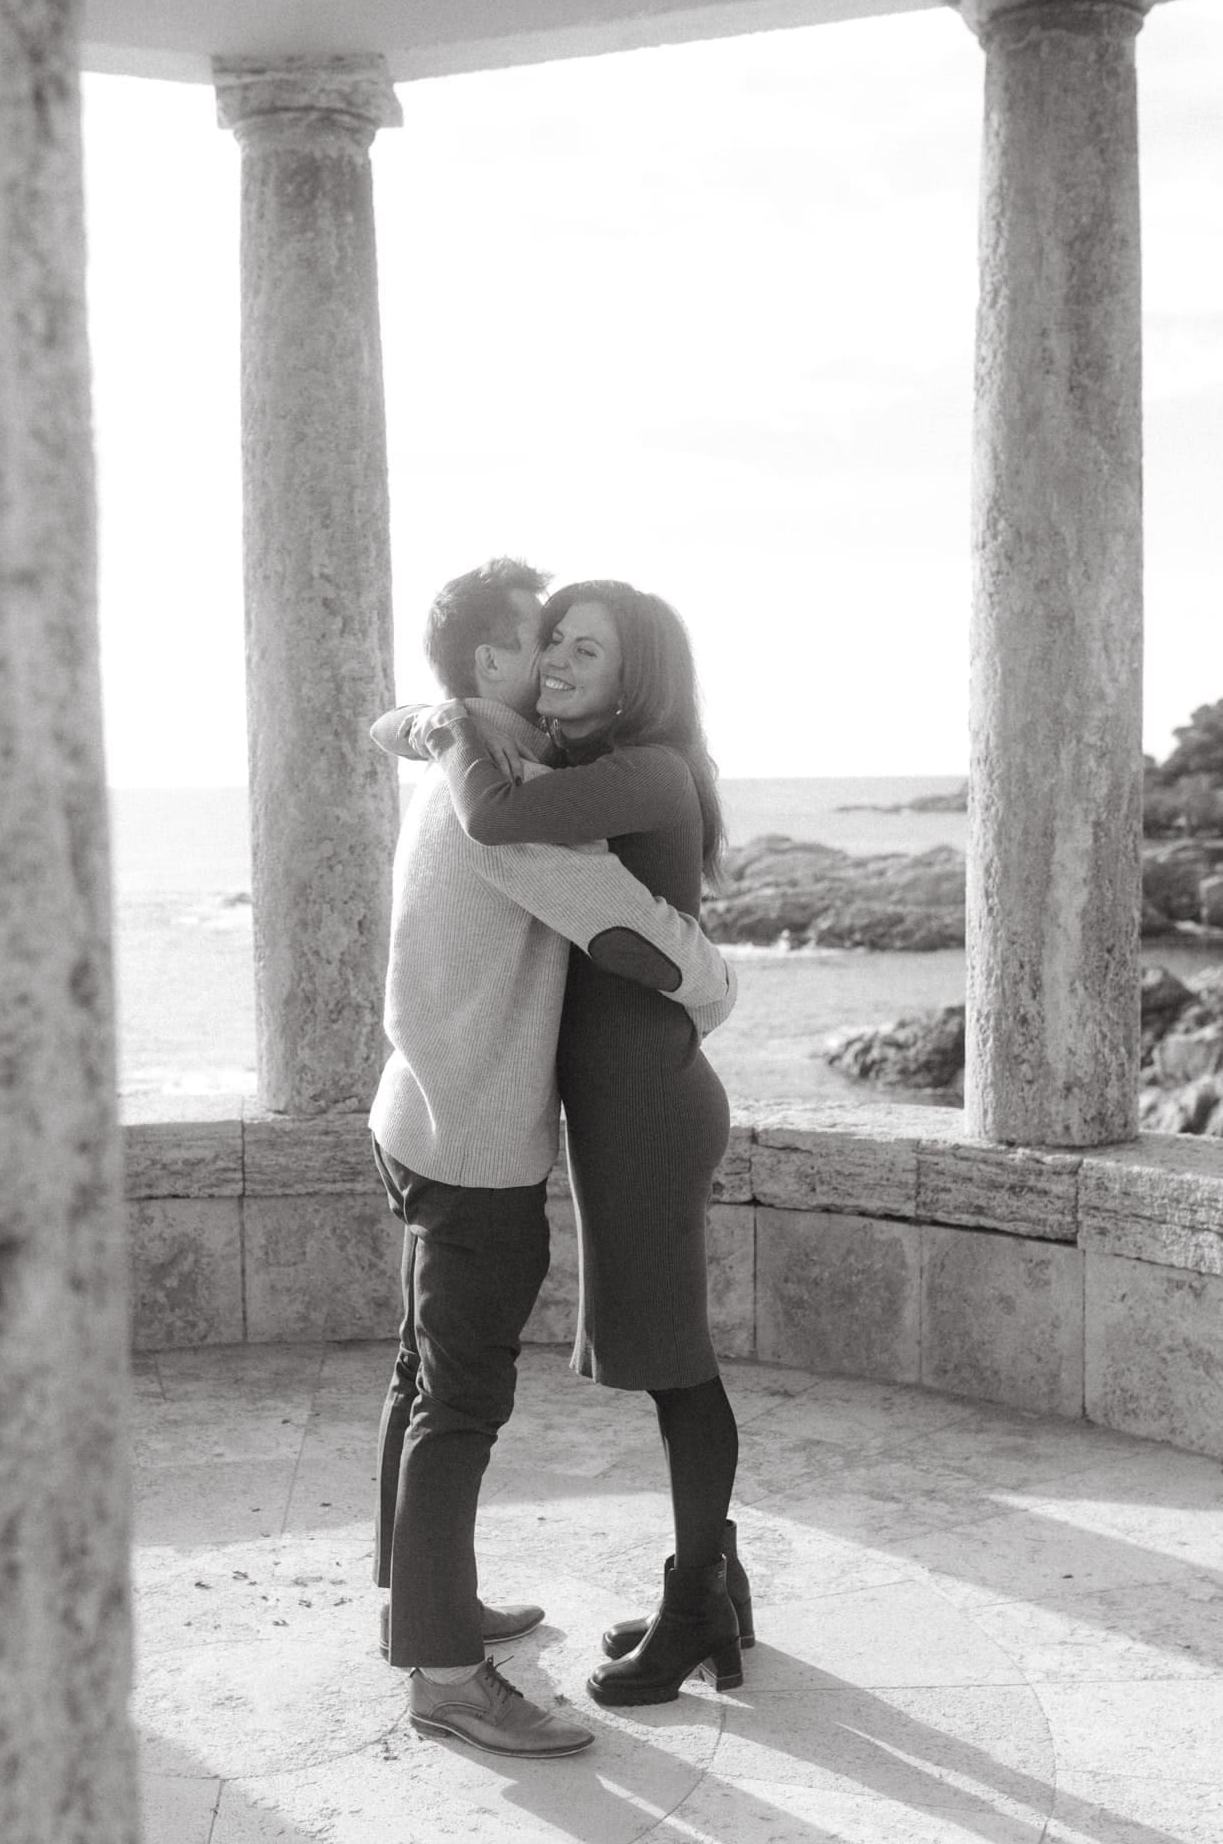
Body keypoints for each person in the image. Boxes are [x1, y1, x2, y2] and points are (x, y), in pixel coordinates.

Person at [370, 559, 736, 1759]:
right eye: (547, 641)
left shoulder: (455, 762)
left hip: (414, 1117)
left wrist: (432, 720)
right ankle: (443, 1668)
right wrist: (717, 979)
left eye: (588, 646)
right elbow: (630, 927)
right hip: (472, 1142)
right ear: (494, 666)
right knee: (460, 1401)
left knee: (427, 1377)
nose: (562, 663)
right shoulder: (502, 801)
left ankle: (422, 1604)